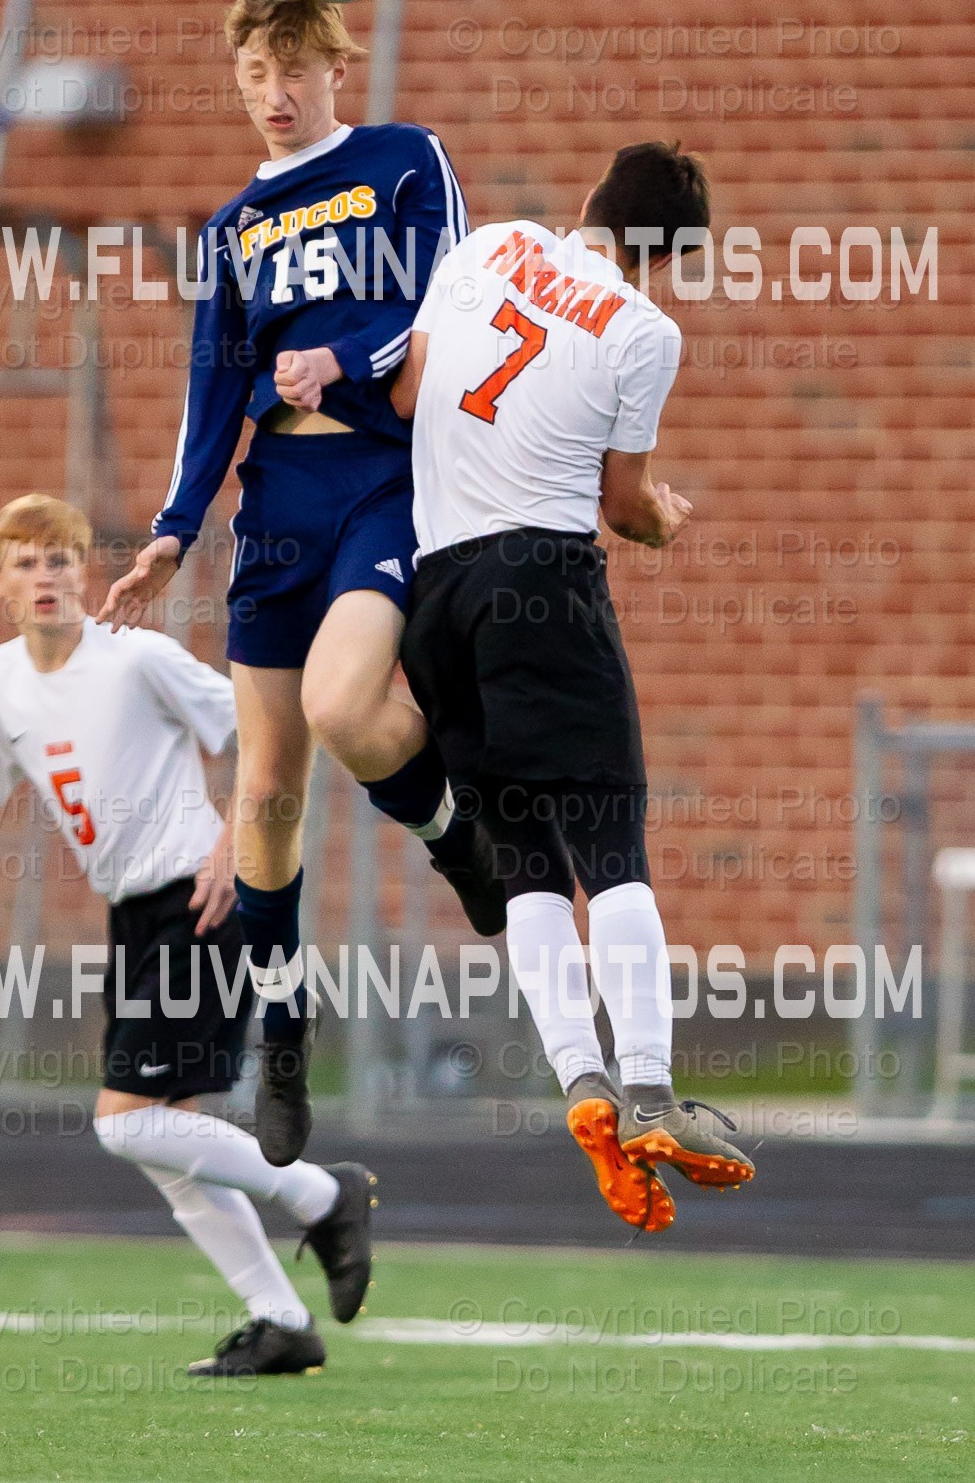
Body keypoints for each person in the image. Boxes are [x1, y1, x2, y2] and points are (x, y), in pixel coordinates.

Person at [98, 0, 502, 1169]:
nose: (274, 95)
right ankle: (281, 1031)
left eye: (291, 70)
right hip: (275, 506)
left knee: (341, 707)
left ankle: (452, 836)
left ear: (334, 64)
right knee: (264, 792)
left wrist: (342, 356)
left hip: (381, 485)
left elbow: (452, 300)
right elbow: (210, 390)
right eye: (252, 79)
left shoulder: (400, 160)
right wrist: (174, 526)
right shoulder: (231, 231)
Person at [0, 493, 374, 1376]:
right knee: (170, 1144)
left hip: (201, 904)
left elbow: (264, 734)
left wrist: (231, 848)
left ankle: (327, 1197)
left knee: (126, 1126)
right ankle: (280, 1322)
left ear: (85, 570)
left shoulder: (136, 658)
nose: (47, 576)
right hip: (135, 917)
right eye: (26, 563)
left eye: (61, 559)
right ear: (1, 584)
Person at [391, 142, 755, 1233]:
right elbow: (620, 504)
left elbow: (411, 391)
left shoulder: (494, 243)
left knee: (525, 862)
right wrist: (665, 521)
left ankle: (579, 1083)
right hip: (539, 583)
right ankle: (646, 1087)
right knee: (609, 845)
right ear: (667, 258)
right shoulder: (643, 329)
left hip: (437, 592)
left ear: (588, 199)